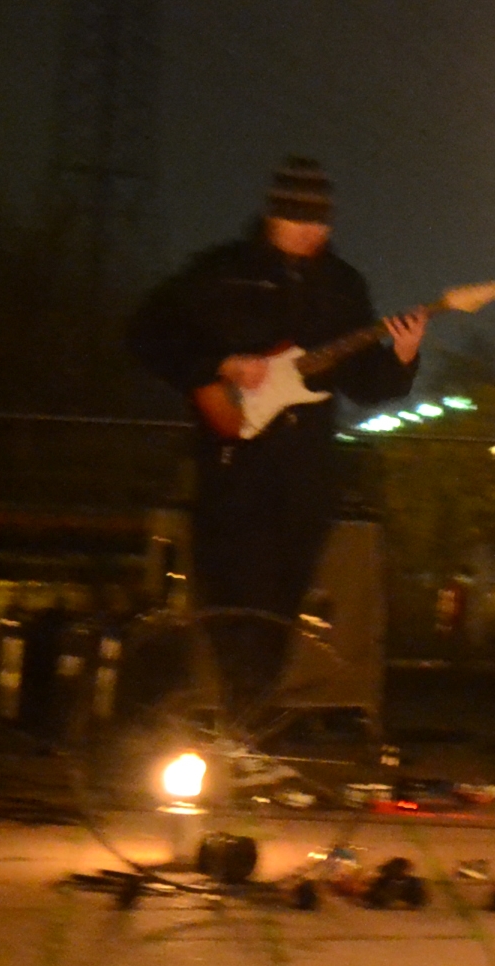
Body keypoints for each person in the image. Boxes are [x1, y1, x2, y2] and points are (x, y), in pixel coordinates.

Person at [128, 156, 424, 685]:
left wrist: (401, 359)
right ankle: (230, 723)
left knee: (281, 604)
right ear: (273, 216)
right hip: (233, 461)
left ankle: (247, 731)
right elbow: (146, 334)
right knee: (228, 595)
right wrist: (218, 365)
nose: (315, 232)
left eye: (323, 222)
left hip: (306, 466)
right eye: (302, 220)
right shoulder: (220, 271)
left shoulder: (343, 285)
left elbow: (364, 383)